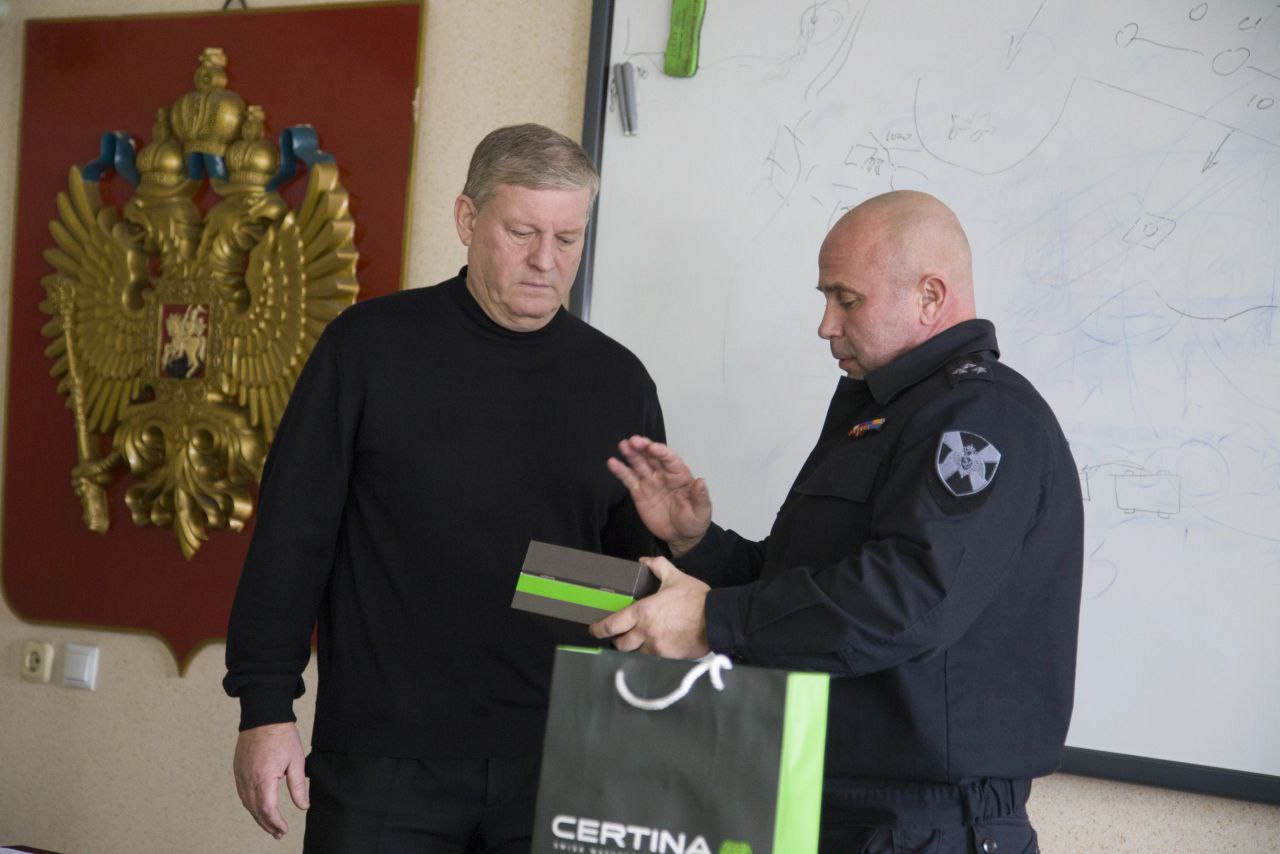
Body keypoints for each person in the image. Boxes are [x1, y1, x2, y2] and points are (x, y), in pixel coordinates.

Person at [592, 190, 1082, 854]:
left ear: (930, 297)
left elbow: (906, 601)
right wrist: (697, 542)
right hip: (830, 801)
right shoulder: (882, 411)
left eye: (846, 300)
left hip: (925, 824)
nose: (826, 325)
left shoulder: (979, 419)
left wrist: (712, 621)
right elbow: (807, 584)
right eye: (826, 298)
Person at [224, 123, 665, 852]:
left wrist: (649, 553)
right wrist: (265, 709)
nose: (545, 260)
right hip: (384, 759)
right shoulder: (368, 348)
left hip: (557, 761)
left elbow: (634, 583)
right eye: (522, 232)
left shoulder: (618, 381)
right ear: (467, 219)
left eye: (568, 238)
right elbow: (292, 539)